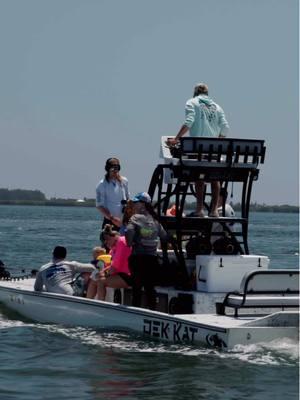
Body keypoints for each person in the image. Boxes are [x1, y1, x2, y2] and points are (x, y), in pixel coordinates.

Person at [166, 83, 230, 217]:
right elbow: (225, 127)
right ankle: (213, 211)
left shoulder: (192, 102)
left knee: (198, 177)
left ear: (195, 93)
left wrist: (176, 139)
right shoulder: (217, 107)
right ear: (207, 93)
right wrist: (218, 140)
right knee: (215, 178)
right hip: (214, 151)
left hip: (198, 150)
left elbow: (189, 121)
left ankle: (200, 210)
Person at [125, 192, 168, 310]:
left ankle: (136, 311)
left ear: (142, 204)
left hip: (138, 258)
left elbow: (129, 231)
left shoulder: (135, 218)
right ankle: (152, 310)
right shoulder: (155, 220)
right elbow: (164, 237)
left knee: (137, 287)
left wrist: (130, 243)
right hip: (152, 260)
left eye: (135, 202)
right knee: (150, 287)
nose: (133, 205)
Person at [86, 225, 132, 300]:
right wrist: (103, 271)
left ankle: (101, 306)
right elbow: (111, 265)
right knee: (94, 280)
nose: (107, 245)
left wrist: (104, 274)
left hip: (130, 275)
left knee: (101, 281)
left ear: (111, 237)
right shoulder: (114, 247)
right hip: (121, 274)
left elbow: (114, 268)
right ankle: (88, 303)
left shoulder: (122, 243)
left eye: (106, 243)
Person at [96, 157, 130, 230]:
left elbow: (128, 199)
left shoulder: (124, 181)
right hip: (110, 222)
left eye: (117, 167)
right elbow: (99, 206)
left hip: (124, 221)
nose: (115, 170)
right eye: (112, 167)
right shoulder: (101, 184)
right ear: (107, 169)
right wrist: (112, 218)